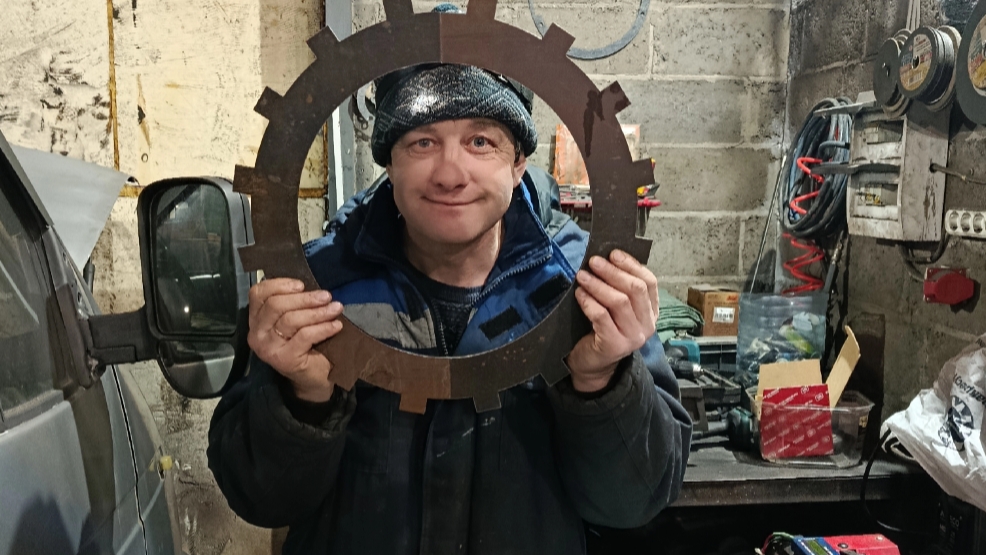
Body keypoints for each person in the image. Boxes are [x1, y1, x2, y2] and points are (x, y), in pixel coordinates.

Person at [207, 39, 691, 554]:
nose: (450, 174)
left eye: (481, 141)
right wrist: (302, 399)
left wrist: (600, 384)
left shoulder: (584, 285)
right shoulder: (316, 288)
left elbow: (634, 501)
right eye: (422, 142)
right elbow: (259, 500)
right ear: (389, 163)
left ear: (518, 163)